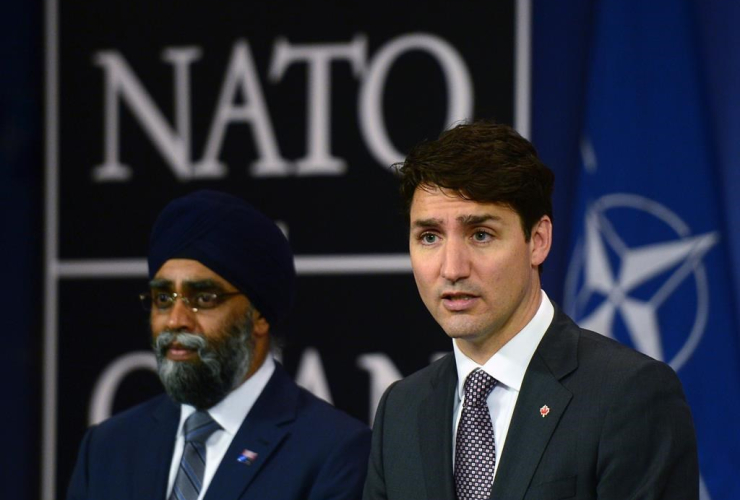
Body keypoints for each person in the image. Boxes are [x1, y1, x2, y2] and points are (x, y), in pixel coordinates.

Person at [363, 121, 698, 500]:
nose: (452, 268)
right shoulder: (401, 410)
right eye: (429, 237)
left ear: (537, 241)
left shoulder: (629, 395)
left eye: (481, 235)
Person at [68, 190, 370, 500]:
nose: (175, 321)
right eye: (162, 298)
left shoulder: (333, 451)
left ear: (260, 316)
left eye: (203, 298)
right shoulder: (108, 448)